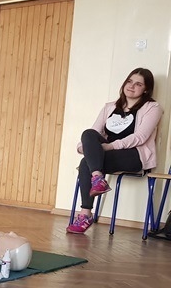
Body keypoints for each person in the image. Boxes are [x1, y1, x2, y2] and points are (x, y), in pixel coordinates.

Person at [67, 68, 162, 234]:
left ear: (146, 89)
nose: (132, 86)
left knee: (86, 162)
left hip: (134, 155)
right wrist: (84, 147)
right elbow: (94, 132)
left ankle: (86, 213)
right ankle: (97, 179)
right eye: (129, 81)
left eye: (138, 84)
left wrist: (110, 146)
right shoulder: (109, 107)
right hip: (108, 153)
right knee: (88, 134)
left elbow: (140, 137)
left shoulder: (152, 108)